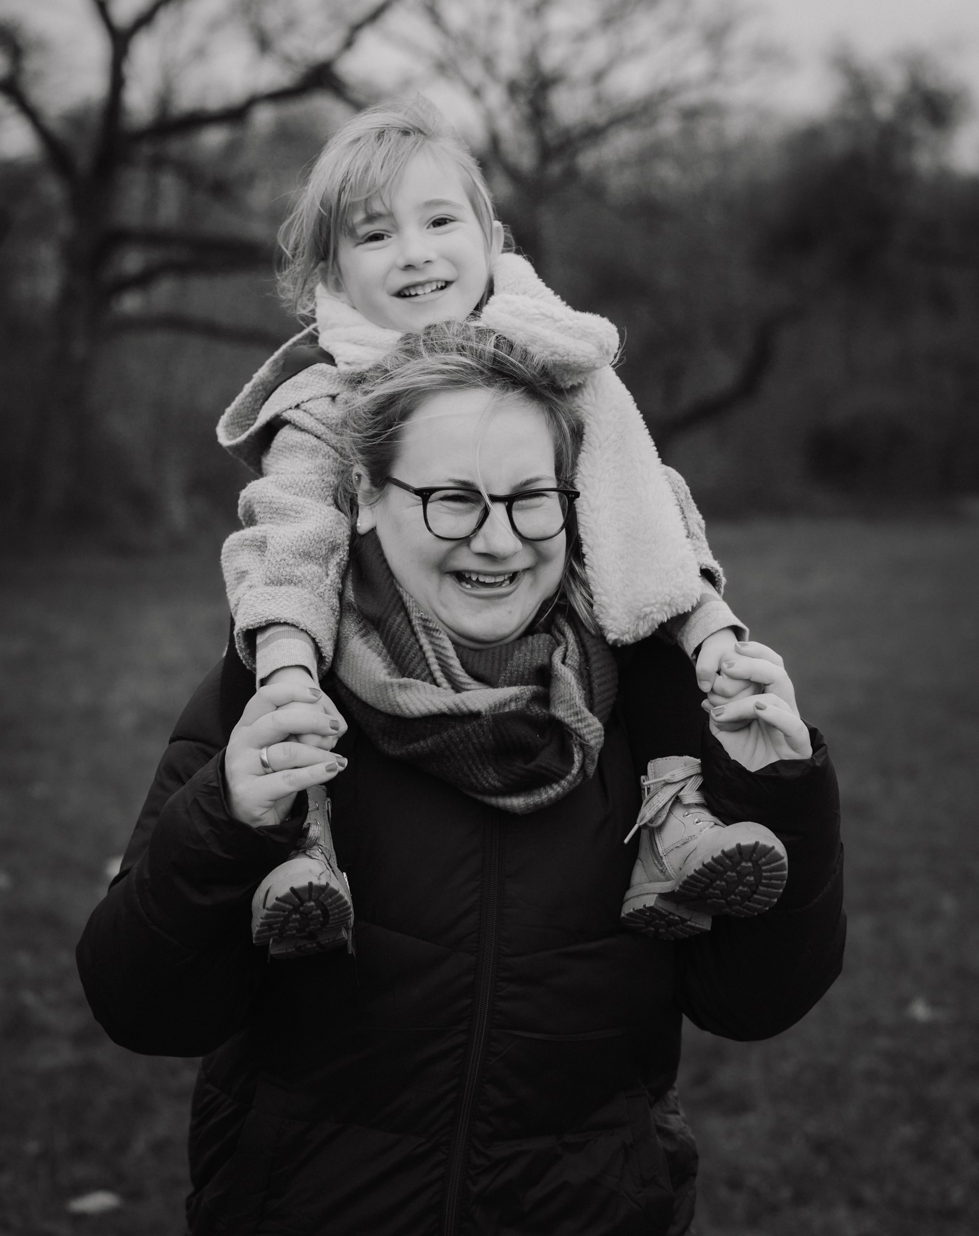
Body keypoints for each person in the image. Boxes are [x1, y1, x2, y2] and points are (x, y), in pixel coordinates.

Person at [77, 323, 845, 1236]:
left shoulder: (656, 702)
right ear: (363, 495)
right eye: (453, 499)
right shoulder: (282, 693)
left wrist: (780, 790)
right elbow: (143, 1005)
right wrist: (228, 821)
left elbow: (753, 1003)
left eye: (531, 499)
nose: (499, 541)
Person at [217, 97, 785, 954]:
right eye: (373, 235)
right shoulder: (326, 400)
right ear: (330, 277)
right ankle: (305, 844)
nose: (413, 251)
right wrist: (286, 664)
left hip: (562, 628)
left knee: (633, 586)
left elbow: (640, 496)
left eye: (439, 220)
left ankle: (673, 812)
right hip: (380, 636)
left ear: (488, 240)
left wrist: (710, 630)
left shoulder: (552, 363)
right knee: (300, 635)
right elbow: (290, 531)